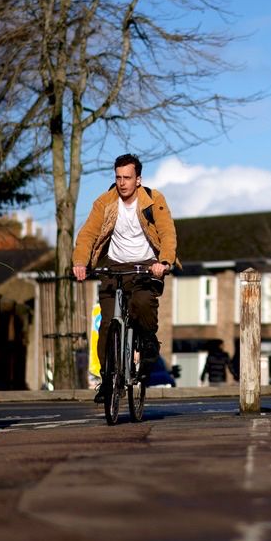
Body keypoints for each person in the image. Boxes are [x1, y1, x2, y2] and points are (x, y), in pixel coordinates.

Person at [72, 153, 178, 403]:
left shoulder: (153, 200)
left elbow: (167, 232)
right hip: (114, 266)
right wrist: (80, 261)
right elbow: (88, 233)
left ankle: (148, 339)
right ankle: (107, 381)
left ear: (138, 179)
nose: (122, 183)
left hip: (146, 266)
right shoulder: (105, 202)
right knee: (107, 324)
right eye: (118, 177)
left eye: (127, 178)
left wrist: (164, 262)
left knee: (142, 303)